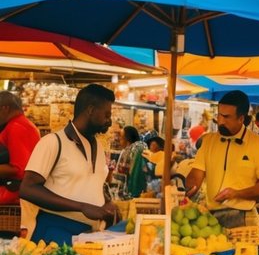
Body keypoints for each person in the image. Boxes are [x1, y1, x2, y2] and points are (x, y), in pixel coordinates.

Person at [20, 83, 118, 243]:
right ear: (91, 110)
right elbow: (27, 189)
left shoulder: (98, 147)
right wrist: (82, 207)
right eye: (107, 115)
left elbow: (90, 183)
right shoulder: (52, 142)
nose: (109, 121)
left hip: (90, 234)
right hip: (54, 232)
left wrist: (107, 202)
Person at [184, 89, 259, 226]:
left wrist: (236, 193)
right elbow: (196, 174)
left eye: (226, 117)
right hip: (210, 218)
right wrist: (186, 187)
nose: (220, 121)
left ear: (241, 118)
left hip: (243, 217)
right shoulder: (208, 141)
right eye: (219, 115)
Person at [0, 90, 40, 210]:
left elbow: (20, 169)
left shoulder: (16, 128)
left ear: (5, 108)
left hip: (12, 192)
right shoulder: (22, 124)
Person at [113, 125, 150, 199]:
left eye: (121, 137)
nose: (119, 139)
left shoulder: (127, 151)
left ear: (127, 139)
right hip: (145, 192)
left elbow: (121, 176)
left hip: (129, 193)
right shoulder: (144, 147)